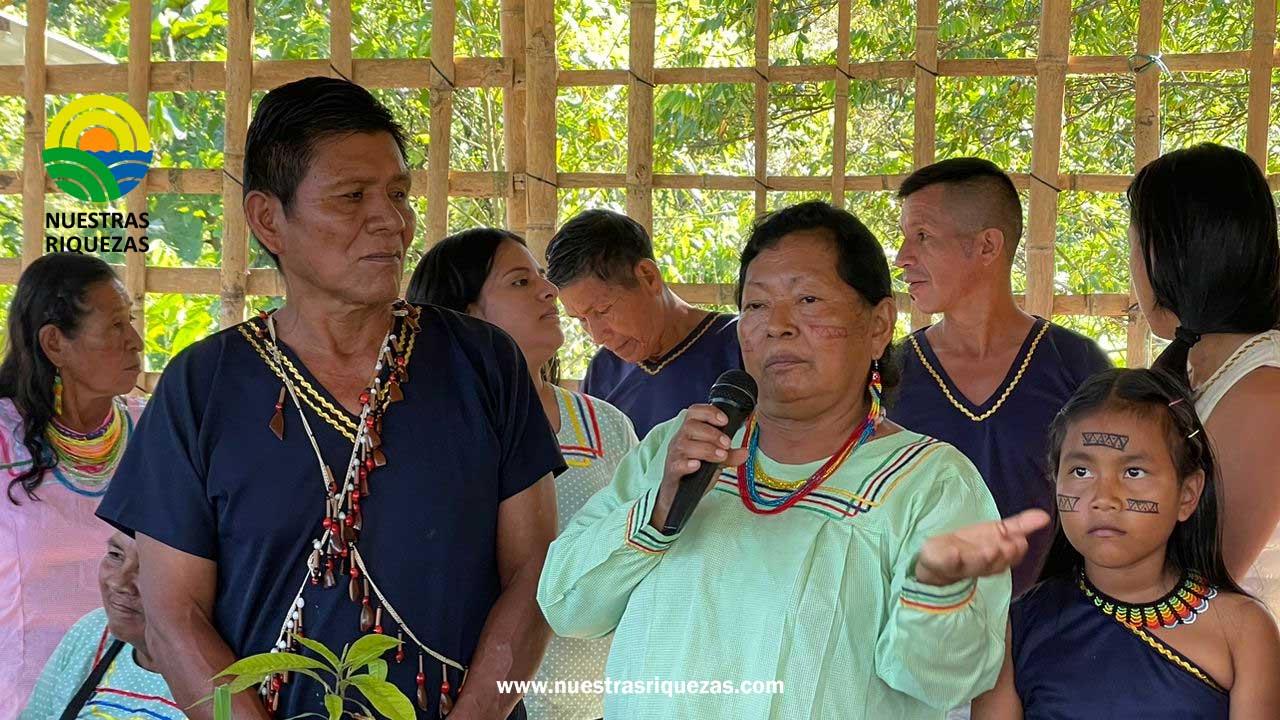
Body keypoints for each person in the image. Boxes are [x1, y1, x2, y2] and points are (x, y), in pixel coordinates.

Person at [96, 77, 564, 720]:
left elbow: (534, 573)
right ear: (268, 218)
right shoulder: (201, 387)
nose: (392, 221)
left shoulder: (482, 363)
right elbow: (175, 614)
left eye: (398, 193)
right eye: (352, 197)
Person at [538, 201, 1050, 719]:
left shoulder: (930, 484)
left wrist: (937, 595)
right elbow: (566, 605)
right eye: (756, 306)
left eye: (807, 299)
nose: (776, 326)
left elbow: (942, 683)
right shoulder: (676, 447)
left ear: (878, 325)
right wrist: (661, 507)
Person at [407, 227, 639, 720]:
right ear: (466, 316)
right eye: (519, 281)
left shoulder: (606, 426)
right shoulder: (423, 440)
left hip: (597, 708)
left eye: (541, 277)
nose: (549, 290)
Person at [971, 368, 1280, 719]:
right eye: (1081, 472)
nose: (1104, 498)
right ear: (1055, 482)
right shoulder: (1016, 629)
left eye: (1133, 472)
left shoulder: (1243, 632)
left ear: (1187, 494)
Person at [891, 158, 1112, 594]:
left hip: (1048, 633)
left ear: (988, 246)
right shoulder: (893, 372)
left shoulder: (1077, 366)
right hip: (922, 631)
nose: (902, 258)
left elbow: (1109, 507)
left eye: (922, 237)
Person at [1126, 142, 1280, 609]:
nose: (1131, 267)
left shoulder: (1262, 390)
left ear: (1172, 256)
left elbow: (1204, 583)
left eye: (1133, 245)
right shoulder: (1204, 367)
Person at [0, 253, 145, 719]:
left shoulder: (151, 432)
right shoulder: (5, 441)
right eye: (116, 328)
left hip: (123, 702)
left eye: (132, 323)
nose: (136, 342)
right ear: (55, 343)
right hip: (19, 699)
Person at [545, 209, 741, 438]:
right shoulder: (603, 372)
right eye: (581, 320)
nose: (597, 336)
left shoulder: (740, 345)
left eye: (603, 310)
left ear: (648, 277)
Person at [21, 532, 185, 719]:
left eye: (152, 566)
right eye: (116, 555)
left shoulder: (218, 679)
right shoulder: (93, 630)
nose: (119, 583)